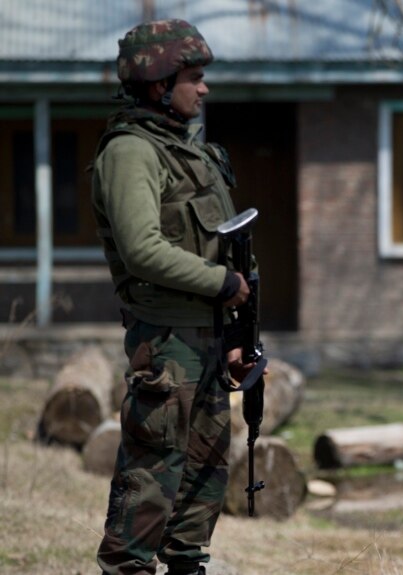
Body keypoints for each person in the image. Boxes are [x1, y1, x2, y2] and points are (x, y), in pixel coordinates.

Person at [91, 19, 256, 575]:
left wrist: (237, 336)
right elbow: (141, 249)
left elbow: (226, 245)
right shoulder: (132, 152)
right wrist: (223, 286)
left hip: (210, 343)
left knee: (200, 490)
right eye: (194, 77)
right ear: (159, 83)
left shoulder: (192, 152)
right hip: (167, 347)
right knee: (148, 489)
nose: (204, 88)